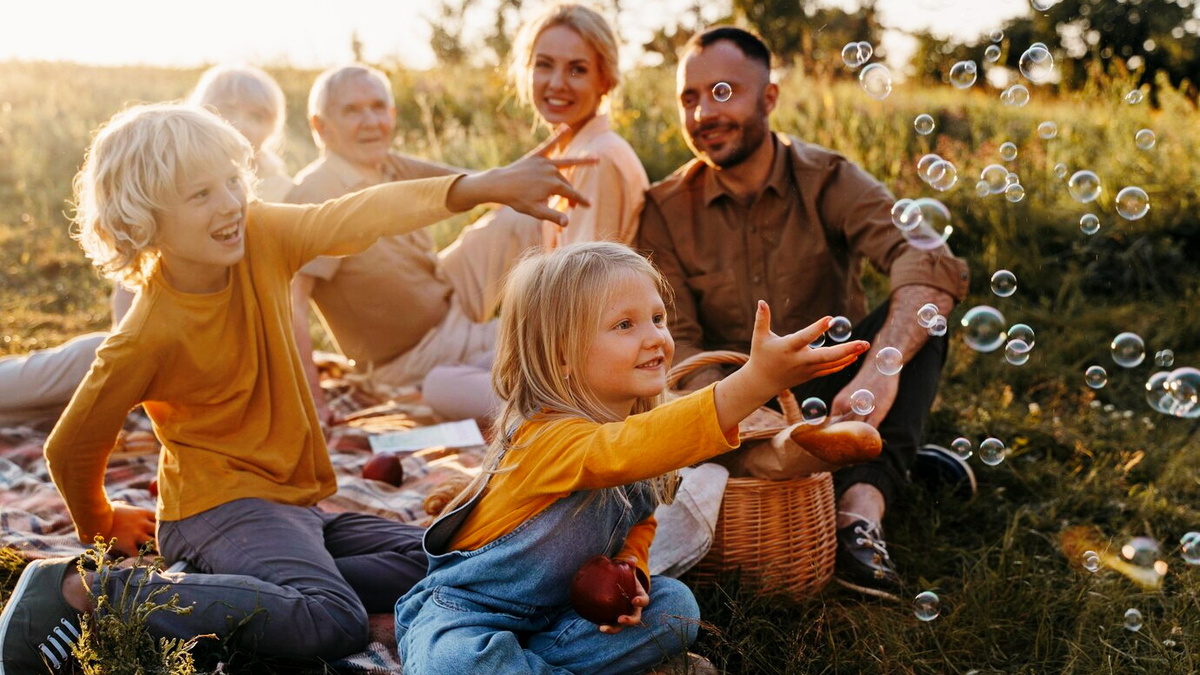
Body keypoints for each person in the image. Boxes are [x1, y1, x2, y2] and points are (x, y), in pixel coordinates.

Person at [0, 102, 590, 671]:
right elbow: (71, 445)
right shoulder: (146, 337)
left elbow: (352, 216)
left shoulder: (259, 235)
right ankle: (87, 592)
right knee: (331, 619)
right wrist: (99, 524)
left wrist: (479, 186)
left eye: (232, 180)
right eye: (201, 194)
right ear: (143, 217)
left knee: (449, 559)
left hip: (295, 505)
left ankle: (245, 584)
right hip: (216, 510)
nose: (230, 203)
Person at [394, 242, 868, 673]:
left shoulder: (640, 439)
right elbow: (624, 451)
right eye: (625, 325)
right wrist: (753, 383)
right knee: (452, 663)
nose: (655, 338)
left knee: (675, 607)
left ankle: (529, 665)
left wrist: (632, 572)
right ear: (562, 355)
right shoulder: (546, 437)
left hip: (568, 615)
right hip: (470, 614)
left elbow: (640, 521)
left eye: (658, 319)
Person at [636, 26, 972, 601]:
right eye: (688, 98)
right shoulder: (663, 211)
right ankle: (888, 464)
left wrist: (881, 369)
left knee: (919, 316)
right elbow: (679, 342)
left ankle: (858, 513)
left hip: (836, 386)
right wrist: (742, 410)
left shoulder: (828, 179)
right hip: (733, 400)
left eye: (722, 93)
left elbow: (926, 261)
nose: (701, 113)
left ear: (769, 98)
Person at [0, 64, 296, 429]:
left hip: (226, 348)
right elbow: (135, 275)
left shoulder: (283, 191)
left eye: (258, 116)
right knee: (84, 363)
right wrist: (134, 346)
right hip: (157, 340)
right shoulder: (169, 182)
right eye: (228, 110)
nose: (243, 123)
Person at [419, 2, 652, 419]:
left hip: (590, 366)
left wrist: (534, 362)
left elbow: (584, 297)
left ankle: (549, 420)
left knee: (440, 384)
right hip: (573, 348)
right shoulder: (577, 150)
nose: (557, 83)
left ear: (606, 80)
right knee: (443, 375)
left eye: (577, 69)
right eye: (544, 65)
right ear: (527, 72)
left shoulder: (597, 159)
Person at [287, 64, 539, 425]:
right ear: (320, 127)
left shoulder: (388, 165)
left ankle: (576, 298)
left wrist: (536, 171)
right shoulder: (317, 193)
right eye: (352, 111)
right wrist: (314, 403)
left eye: (377, 107)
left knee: (521, 218)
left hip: (448, 300)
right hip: (413, 356)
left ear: (392, 114)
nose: (371, 121)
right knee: (547, 347)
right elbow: (292, 303)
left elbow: (477, 185)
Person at [187, 64, 294, 202]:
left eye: (257, 117)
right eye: (228, 110)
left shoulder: (287, 191)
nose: (241, 125)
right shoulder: (180, 173)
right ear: (201, 112)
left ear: (273, 127)